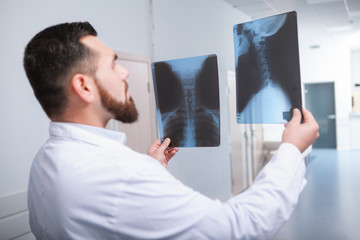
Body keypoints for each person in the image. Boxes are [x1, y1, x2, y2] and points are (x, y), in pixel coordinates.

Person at [24, 22, 319, 240]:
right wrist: (292, 150)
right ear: (84, 87)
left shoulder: (45, 161)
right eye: (113, 64)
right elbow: (236, 228)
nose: (125, 72)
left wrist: (151, 165)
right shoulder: (123, 174)